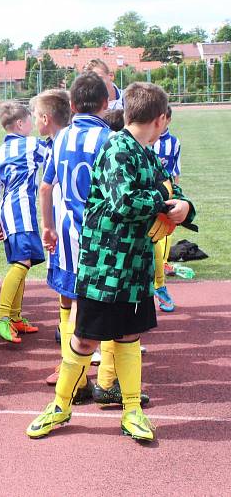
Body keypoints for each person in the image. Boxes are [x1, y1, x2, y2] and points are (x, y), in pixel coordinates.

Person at [26, 82, 196, 442]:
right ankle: (61, 405)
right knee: (86, 339)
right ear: (161, 118)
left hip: (134, 265)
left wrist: (184, 206)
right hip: (104, 266)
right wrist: (165, 200)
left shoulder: (147, 154)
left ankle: (131, 409)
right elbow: (125, 202)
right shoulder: (117, 147)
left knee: (129, 337)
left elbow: (170, 189)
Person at [38, 77, 109, 396]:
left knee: (68, 299)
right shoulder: (110, 138)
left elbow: (45, 185)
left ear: (73, 106)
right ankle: (99, 380)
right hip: (97, 237)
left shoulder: (62, 137)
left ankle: (73, 374)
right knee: (100, 303)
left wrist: (47, 226)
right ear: (106, 105)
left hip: (65, 233)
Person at [0, 102, 47, 343]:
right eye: (30, 120)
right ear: (20, 124)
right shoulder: (32, 144)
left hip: (6, 213)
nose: (33, 125)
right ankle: (1, 315)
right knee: (22, 262)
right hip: (21, 211)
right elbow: (55, 158)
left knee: (23, 261)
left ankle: (14, 316)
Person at [151, 106, 181, 312]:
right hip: (145, 199)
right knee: (151, 246)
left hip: (166, 201)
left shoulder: (174, 143)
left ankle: (160, 287)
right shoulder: (142, 140)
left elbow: (175, 172)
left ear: (167, 120)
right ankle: (154, 286)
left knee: (162, 243)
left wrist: (177, 196)